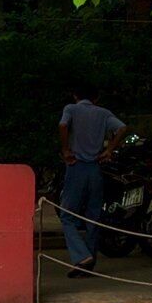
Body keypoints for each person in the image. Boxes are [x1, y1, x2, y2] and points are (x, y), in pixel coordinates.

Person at [57, 94, 126, 267]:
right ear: (96, 98)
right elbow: (122, 128)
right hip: (95, 168)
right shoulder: (103, 113)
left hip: (76, 165)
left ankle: (81, 255)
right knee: (93, 217)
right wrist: (109, 150)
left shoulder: (71, 109)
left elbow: (63, 124)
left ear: (75, 96)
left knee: (67, 215)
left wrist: (65, 149)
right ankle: (89, 262)